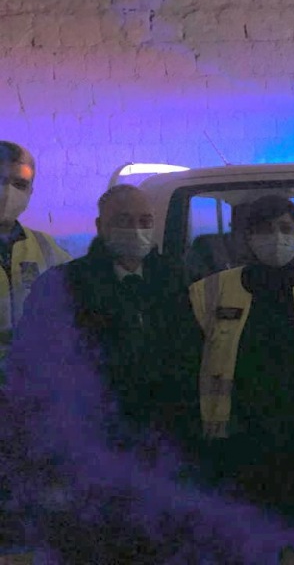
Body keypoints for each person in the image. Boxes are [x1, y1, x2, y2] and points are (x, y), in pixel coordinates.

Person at [3, 183, 201, 562]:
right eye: (123, 221)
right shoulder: (63, 286)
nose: (136, 230)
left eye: (144, 221)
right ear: (100, 226)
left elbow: (193, 351)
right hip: (90, 442)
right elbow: (33, 366)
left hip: (159, 441)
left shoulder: (173, 280)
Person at [186, 194, 294, 564]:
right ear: (248, 236)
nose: (277, 237)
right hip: (238, 443)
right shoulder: (210, 291)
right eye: (266, 229)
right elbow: (186, 370)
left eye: (286, 228)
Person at [0, 141, 71, 374]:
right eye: (0, 180)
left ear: (30, 192)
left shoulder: (46, 247)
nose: (7, 192)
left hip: (32, 378)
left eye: (20, 184)